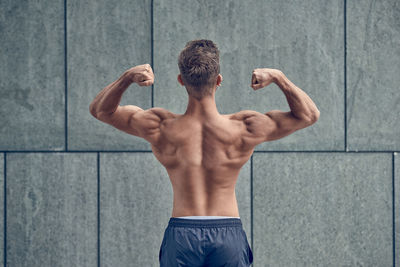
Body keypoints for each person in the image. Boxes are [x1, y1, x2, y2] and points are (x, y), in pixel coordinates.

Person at [89, 39, 320, 266]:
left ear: (181, 80)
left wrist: (128, 77)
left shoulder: (159, 126)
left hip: (181, 235)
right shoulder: (245, 127)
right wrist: (279, 78)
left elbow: (101, 111)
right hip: (228, 235)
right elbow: (309, 115)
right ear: (219, 80)